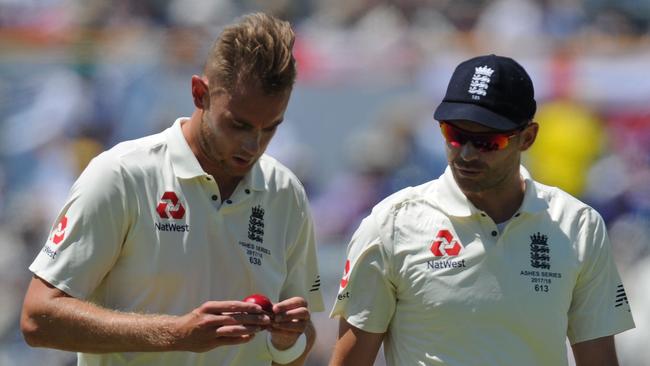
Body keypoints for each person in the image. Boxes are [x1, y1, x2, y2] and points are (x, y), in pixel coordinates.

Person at [21, 12, 324, 366]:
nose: (252, 145)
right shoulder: (121, 175)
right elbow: (38, 318)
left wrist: (289, 338)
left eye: (270, 127)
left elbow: (299, 345)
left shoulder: (286, 193)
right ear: (200, 94)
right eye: (238, 124)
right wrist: (175, 334)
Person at [329, 54, 635, 366]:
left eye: (487, 142)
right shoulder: (391, 223)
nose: (466, 153)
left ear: (527, 138)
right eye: (455, 135)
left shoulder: (578, 225)